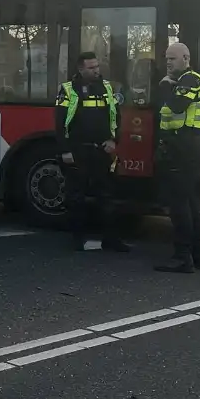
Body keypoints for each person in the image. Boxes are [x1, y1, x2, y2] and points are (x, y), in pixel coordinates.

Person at [54, 52, 131, 253]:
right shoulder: (68, 90)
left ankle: (111, 239)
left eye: (97, 66)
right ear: (81, 69)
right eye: (91, 67)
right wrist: (65, 150)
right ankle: (76, 239)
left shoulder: (107, 87)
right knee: (76, 198)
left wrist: (114, 140)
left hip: (101, 150)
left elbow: (116, 117)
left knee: (107, 196)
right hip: (78, 150)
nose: (96, 70)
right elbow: (60, 124)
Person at [153, 42, 200, 273]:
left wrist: (166, 86)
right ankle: (198, 255)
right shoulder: (181, 82)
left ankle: (182, 257)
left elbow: (177, 106)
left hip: (185, 147)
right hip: (179, 146)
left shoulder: (191, 80)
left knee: (179, 205)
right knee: (189, 204)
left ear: (186, 58)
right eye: (166, 58)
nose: (168, 62)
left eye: (173, 59)